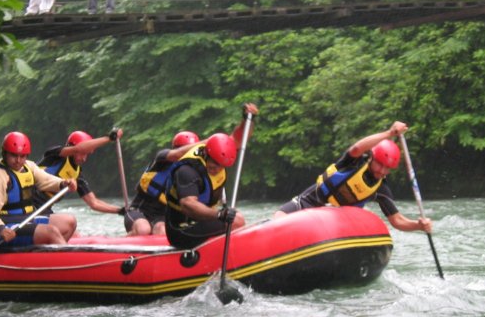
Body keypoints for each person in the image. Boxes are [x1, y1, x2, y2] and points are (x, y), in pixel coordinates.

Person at [273, 121, 433, 235]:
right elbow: (356, 147)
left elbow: (397, 220)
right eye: (380, 164)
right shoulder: (353, 162)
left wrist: (418, 225)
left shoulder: (381, 189)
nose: (382, 170)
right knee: (277, 220)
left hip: (334, 224)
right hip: (309, 202)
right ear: (372, 157)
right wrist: (389, 134)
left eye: (387, 168)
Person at [164, 104, 259, 250]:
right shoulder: (187, 171)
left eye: (221, 167)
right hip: (182, 230)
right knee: (237, 221)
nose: (216, 170)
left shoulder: (219, 153)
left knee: (237, 216)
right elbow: (188, 205)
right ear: (206, 155)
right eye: (213, 166)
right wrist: (219, 214)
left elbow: (238, 139)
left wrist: (248, 119)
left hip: (200, 222)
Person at [0, 131, 78, 247]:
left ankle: (45, 257)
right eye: (14, 155)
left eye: (22, 156)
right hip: (5, 227)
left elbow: (47, 180)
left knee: (69, 222)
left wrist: (64, 183)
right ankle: (62, 258)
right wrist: (0, 228)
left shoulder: (29, 167)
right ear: (4, 153)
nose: (18, 160)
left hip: (26, 218)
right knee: (51, 231)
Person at [34, 128, 127, 228]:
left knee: (73, 233)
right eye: (82, 154)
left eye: (86, 154)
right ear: (71, 147)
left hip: (44, 209)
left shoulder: (77, 175)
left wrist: (120, 210)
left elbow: (94, 203)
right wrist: (109, 138)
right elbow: (79, 149)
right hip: (31, 204)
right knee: (65, 227)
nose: (84, 158)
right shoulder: (54, 155)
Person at [124, 130, 201, 236]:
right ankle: (122, 246)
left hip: (161, 216)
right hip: (139, 210)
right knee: (143, 229)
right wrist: (207, 142)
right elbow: (177, 154)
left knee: (162, 231)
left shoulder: (189, 174)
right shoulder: (162, 159)